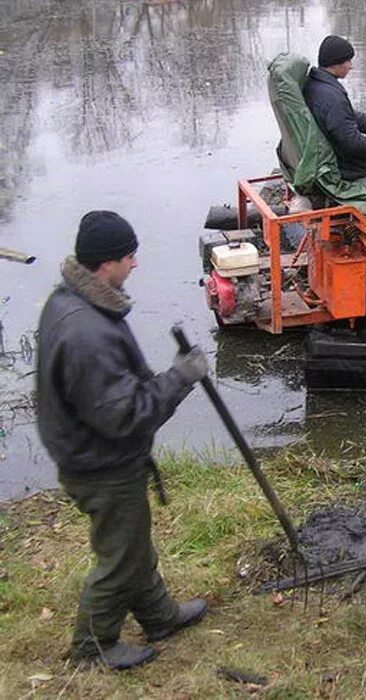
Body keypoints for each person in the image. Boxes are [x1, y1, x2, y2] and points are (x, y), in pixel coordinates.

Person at [36, 211, 210, 670]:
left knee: (132, 544)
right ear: (105, 263)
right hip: (101, 464)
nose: (135, 263)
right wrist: (181, 376)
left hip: (94, 452)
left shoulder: (76, 298)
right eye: (129, 255)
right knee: (120, 561)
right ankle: (92, 648)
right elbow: (126, 415)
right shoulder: (85, 333)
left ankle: (159, 616)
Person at [303, 34, 366, 180]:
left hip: (325, 152)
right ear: (335, 63)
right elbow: (351, 142)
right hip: (339, 165)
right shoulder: (331, 95)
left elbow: (346, 116)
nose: (351, 66)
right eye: (348, 60)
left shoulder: (318, 84)